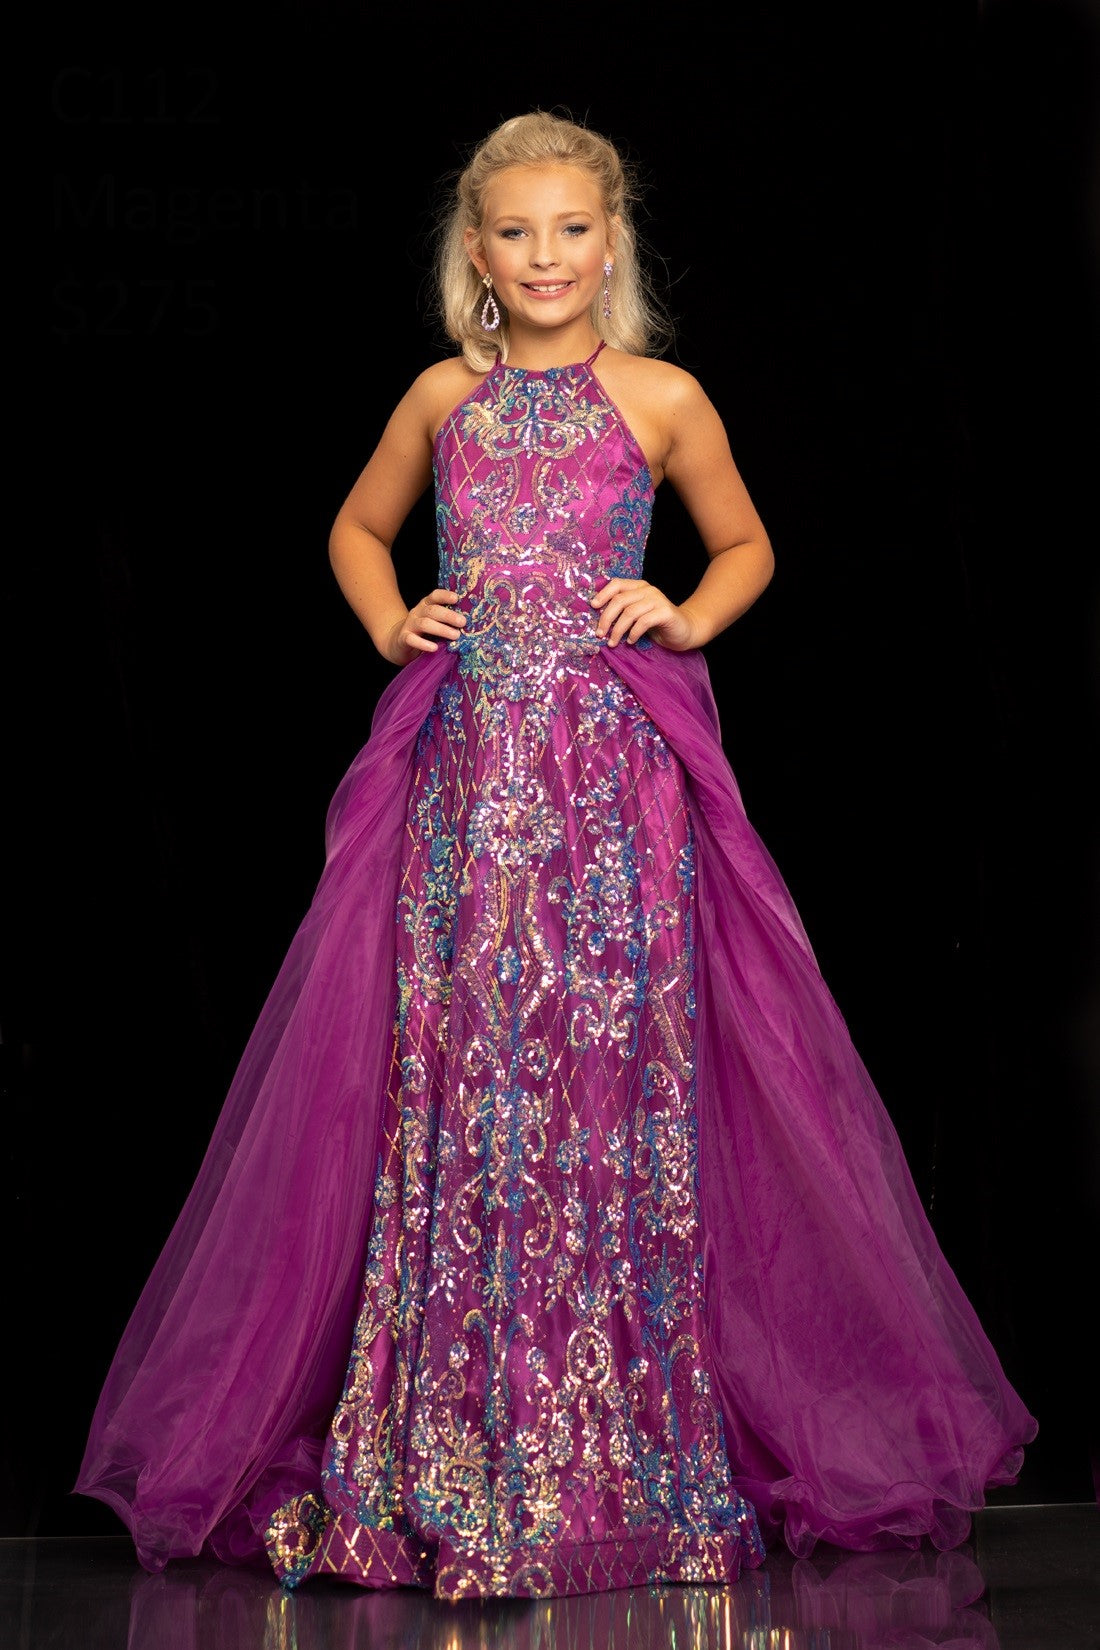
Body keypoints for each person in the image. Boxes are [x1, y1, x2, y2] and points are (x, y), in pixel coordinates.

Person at [74, 108, 1037, 1603]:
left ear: (611, 242)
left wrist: (686, 613)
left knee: (607, 1082)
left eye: (571, 230)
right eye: (516, 232)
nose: (544, 256)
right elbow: (356, 529)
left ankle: (620, 1456)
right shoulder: (442, 397)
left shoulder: (661, 396)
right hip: (466, 793)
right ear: (475, 250)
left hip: (614, 797)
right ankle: (450, 1451)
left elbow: (746, 544)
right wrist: (391, 620)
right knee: (458, 1080)